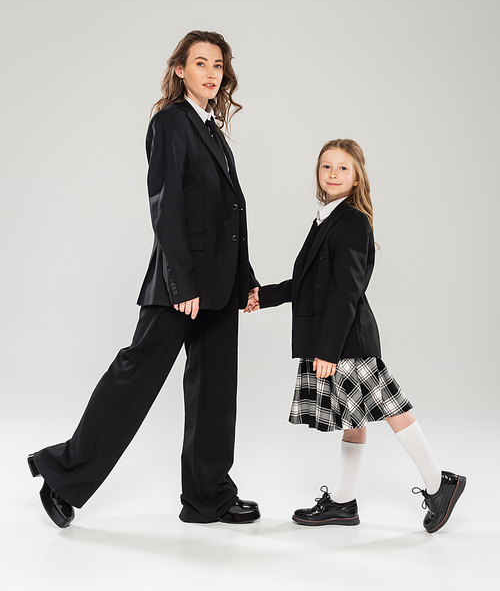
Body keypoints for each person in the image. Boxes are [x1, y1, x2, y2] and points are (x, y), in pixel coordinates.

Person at [28, 30, 260, 528]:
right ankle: (62, 475)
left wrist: (246, 278)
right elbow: (166, 207)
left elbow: (229, 214)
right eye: (200, 63)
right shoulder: (171, 123)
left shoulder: (213, 129)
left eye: (218, 65)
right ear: (180, 70)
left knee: (215, 392)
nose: (211, 72)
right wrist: (183, 285)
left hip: (220, 284)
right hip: (182, 286)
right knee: (134, 379)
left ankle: (207, 498)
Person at [245, 139, 465, 533]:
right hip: (339, 335)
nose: (333, 174)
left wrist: (328, 350)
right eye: (326, 167)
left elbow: (347, 290)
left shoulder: (352, 221)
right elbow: (313, 282)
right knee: (356, 415)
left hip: (345, 338)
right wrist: (265, 297)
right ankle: (344, 504)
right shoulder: (327, 218)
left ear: (357, 175)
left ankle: (439, 485)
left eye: (342, 168)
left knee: (391, 409)